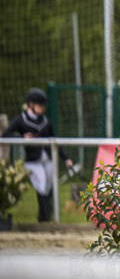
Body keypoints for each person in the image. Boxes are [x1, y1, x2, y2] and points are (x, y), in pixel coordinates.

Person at [2, 88, 74, 222]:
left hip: (47, 158)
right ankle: (47, 218)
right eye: (40, 105)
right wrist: (22, 138)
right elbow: (7, 134)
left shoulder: (45, 121)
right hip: (33, 160)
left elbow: (54, 140)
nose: (43, 108)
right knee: (40, 185)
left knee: (46, 188)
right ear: (31, 104)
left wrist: (66, 158)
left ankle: (42, 217)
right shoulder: (20, 120)